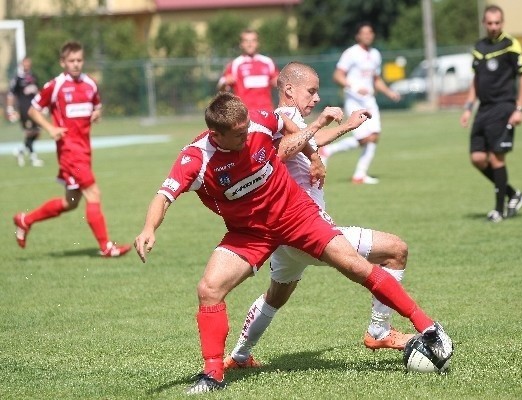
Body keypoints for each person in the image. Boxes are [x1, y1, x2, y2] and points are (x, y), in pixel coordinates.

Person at [134, 91, 453, 394]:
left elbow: (286, 126)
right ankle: (213, 374)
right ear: (216, 135)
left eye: (247, 128)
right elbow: (164, 196)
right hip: (249, 232)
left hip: (296, 214)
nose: (247, 135)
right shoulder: (196, 159)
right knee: (209, 289)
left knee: (357, 267)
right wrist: (149, 228)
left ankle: (427, 327)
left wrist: (314, 155)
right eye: (238, 134)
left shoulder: (257, 121)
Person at [223, 62, 414, 371]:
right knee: (396, 250)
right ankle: (379, 330)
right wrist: (322, 124)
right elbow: (283, 151)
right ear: (289, 90)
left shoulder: (290, 120)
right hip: (306, 228)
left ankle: (239, 356)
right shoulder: (282, 118)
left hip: (284, 233)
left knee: (276, 295)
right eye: (310, 91)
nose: (315, 98)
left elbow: (310, 143)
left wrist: (346, 127)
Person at [12, 41, 131, 257]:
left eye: (79, 60)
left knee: (71, 202)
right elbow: (33, 110)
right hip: (69, 151)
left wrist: (97, 114)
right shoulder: (55, 85)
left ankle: (25, 220)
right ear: (63, 62)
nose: (76, 64)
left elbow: (97, 106)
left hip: (85, 150)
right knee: (93, 193)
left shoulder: (90, 84)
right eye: (71, 61)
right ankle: (106, 247)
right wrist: (50, 128)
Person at [459, 4, 522, 223]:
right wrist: (468, 107)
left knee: (497, 158)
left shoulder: (511, 44)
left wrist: (519, 108)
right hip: (484, 109)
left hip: (504, 107)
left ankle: (499, 210)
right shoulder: (479, 47)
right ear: (484, 23)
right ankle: (512, 194)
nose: (493, 27)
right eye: (489, 23)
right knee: (478, 158)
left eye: (497, 23)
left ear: (502, 23)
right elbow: (476, 81)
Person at [319, 22, 401, 185]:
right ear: (358, 36)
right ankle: (328, 150)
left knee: (374, 136)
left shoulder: (376, 54)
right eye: (364, 33)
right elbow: (337, 75)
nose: (368, 35)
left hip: (370, 101)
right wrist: (355, 87)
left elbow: (375, 79)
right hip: (354, 101)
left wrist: (389, 92)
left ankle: (359, 175)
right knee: (364, 138)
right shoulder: (351, 53)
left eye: (370, 32)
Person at [216, 28, 279, 112]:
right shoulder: (235, 64)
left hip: (267, 112)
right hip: (245, 115)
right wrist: (225, 83)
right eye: (246, 41)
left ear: (258, 43)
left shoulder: (268, 62)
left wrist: (278, 82)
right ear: (241, 44)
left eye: (253, 41)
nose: (250, 44)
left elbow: (279, 82)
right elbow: (221, 86)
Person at [6, 57, 44, 167]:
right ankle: (33, 158)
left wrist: (43, 106)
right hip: (24, 109)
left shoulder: (34, 77)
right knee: (29, 132)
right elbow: (11, 94)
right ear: (22, 65)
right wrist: (10, 109)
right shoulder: (17, 79)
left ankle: (20, 151)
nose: (27, 66)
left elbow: (39, 92)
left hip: (35, 109)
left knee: (37, 132)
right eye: (25, 64)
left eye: (28, 64)